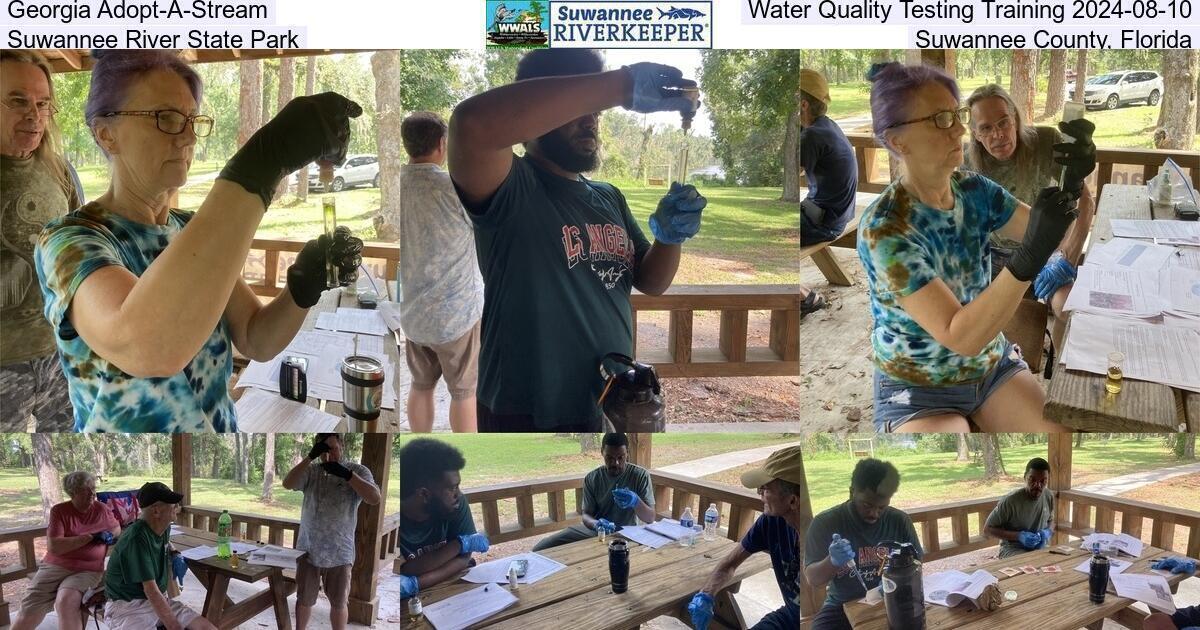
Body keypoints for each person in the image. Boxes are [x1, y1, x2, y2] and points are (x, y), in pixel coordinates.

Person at [34, 50, 364, 432]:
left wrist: (301, 290)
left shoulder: (190, 229)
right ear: (106, 133)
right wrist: (263, 163)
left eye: (192, 120)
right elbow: (146, 346)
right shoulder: (70, 241)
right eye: (167, 118)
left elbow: (256, 340)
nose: (189, 136)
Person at [449, 49, 705, 431]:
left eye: (598, 111)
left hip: (611, 399)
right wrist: (621, 86)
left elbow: (652, 282)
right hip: (524, 407)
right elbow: (471, 125)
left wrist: (670, 238)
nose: (592, 122)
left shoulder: (608, 196)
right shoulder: (511, 187)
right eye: (578, 109)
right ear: (534, 116)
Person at [856, 62, 1093, 432]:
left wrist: (1071, 182)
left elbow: (1048, 230)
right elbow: (959, 335)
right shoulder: (886, 228)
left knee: (1057, 438)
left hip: (988, 366)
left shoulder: (974, 189)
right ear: (897, 140)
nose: (960, 129)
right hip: (917, 386)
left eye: (957, 115)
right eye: (941, 119)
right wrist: (1027, 259)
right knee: (947, 453)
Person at [1, 50, 83, 432]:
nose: (34, 115)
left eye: (43, 103)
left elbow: (80, 249)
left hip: (60, 352)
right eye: (17, 101)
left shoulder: (59, 168)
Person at [965, 84, 1097, 318]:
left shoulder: (1046, 142)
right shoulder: (965, 165)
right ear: (975, 133)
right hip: (991, 255)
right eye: (986, 128)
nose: (998, 135)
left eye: (1003, 122)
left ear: (1015, 118)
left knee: (1068, 305)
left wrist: (1067, 259)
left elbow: (1086, 201)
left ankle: (1061, 354)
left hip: (1047, 249)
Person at [399, 111, 483, 433]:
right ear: (441, 143)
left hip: (415, 315)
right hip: (456, 315)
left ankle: (420, 441)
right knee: (463, 392)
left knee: (420, 386)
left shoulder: (398, 185)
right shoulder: (454, 188)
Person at [687, 446, 803, 630]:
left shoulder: (831, 537)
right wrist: (706, 594)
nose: (760, 494)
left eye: (765, 489)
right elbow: (729, 564)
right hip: (791, 616)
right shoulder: (771, 522)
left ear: (793, 501)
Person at [803, 458, 921, 630]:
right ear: (852, 492)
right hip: (841, 604)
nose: (874, 514)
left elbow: (917, 563)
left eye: (882, 507)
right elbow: (813, 579)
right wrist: (832, 561)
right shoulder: (825, 523)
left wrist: (895, 584)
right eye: (867, 505)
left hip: (893, 597)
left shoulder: (899, 520)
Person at [282, 433, 381, 630]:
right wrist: (310, 457)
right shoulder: (311, 471)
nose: (329, 455)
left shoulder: (357, 470)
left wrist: (347, 475)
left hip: (339, 552)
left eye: (333, 448)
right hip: (308, 549)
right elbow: (288, 483)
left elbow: (374, 497)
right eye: (323, 451)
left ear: (342, 446)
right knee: (304, 599)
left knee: (339, 602)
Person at [11, 471, 119, 630]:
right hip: (55, 566)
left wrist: (110, 535)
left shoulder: (101, 509)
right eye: (85, 489)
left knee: (66, 600)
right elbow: (55, 546)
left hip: (88, 570)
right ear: (73, 492)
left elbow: (116, 528)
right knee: (31, 604)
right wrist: (90, 537)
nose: (92, 493)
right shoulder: (60, 511)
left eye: (93, 488)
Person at [103, 481, 214, 630]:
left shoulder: (163, 527)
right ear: (156, 511)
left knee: (206, 627)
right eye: (173, 504)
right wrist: (175, 627)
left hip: (157, 600)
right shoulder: (136, 538)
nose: (178, 507)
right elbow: (151, 590)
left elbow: (165, 541)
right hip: (127, 605)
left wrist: (174, 553)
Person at [799, 68, 858, 318]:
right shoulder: (827, 126)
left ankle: (806, 298)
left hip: (824, 222)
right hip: (836, 214)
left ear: (802, 104)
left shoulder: (811, 136)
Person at [532, 432, 656, 551]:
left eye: (620, 457)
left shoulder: (640, 475)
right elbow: (586, 515)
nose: (615, 463)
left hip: (628, 533)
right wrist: (596, 524)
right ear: (602, 452)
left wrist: (636, 501)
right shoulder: (592, 478)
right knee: (543, 546)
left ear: (627, 453)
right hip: (598, 531)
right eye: (610, 458)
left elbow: (650, 518)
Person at [399, 437, 490, 591]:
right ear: (424, 494)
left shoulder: (455, 505)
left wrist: (417, 583)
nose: (459, 494)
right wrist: (458, 545)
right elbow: (404, 571)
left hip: (454, 585)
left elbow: (464, 558)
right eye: (453, 488)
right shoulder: (396, 523)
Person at [984, 457, 1054, 558]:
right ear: (1025, 477)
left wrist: (1047, 532)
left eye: (1043, 481)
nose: (1037, 485)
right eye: (1032, 480)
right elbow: (987, 529)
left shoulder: (1048, 496)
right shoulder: (1010, 501)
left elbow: (1051, 521)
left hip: (1039, 547)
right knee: (1030, 563)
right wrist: (1019, 536)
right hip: (1013, 549)